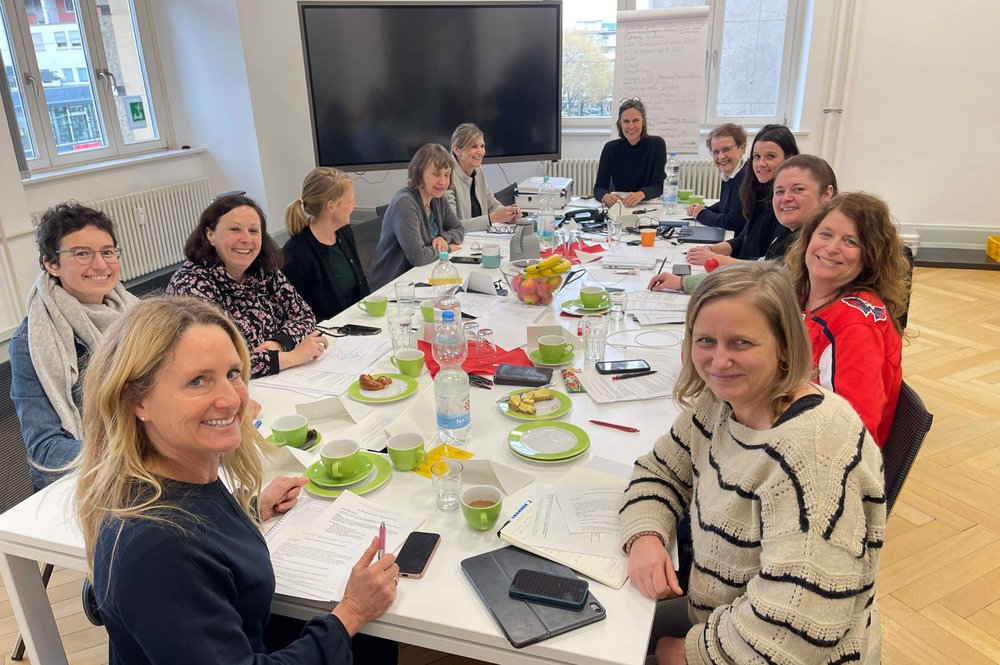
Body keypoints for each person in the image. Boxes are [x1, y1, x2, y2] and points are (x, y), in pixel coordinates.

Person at [74, 296, 399, 664]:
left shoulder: (171, 477)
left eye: (232, 374)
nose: (231, 399)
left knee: (377, 643)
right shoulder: (158, 548)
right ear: (138, 401)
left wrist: (248, 512)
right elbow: (173, 567)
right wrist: (351, 612)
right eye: (198, 381)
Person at [619, 262, 885, 665]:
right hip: (721, 621)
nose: (718, 361)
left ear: (784, 345)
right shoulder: (722, 403)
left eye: (741, 343)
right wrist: (645, 537)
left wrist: (688, 655)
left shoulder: (813, 452)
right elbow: (660, 471)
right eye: (706, 340)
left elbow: (799, 628)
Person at [9, 203, 137, 489]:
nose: (101, 265)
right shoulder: (31, 343)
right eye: (82, 254)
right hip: (88, 483)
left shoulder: (137, 315)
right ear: (51, 264)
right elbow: (45, 452)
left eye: (107, 252)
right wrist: (137, 453)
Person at [786, 192, 907, 446]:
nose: (831, 248)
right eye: (825, 234)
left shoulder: (854, 328)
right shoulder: (803, 295)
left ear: (870, 256)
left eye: (850, 241)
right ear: (808, 238)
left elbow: (852, 434)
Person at [166, 194, 326, 378]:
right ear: (210, 235)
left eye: (253, 230)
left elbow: (304, 315)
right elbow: (218, 361)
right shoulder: (191, 284)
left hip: (276, 379)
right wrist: (292, 357)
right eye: (235, 229)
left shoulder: (263, 269)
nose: (246, 239)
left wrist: (278, 343)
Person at [647, 152, 831, 295]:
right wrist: (683, 283)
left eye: (798, 189)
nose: (786, 198)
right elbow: (757, 270)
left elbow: (758, 280)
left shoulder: (818, 248)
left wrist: (687, 282)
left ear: (827, 194)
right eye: (780, 191)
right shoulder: (790, 232)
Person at [684, 124, 799, 270]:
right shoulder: (758, 189)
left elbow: (771, 267)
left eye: (770, 156)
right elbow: (743, 240)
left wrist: (717, 259)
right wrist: (710, 250)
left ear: (790, 158)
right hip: (745, 270)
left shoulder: (786, 207)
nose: (761, 163)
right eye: (757, 156)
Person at [369, 143, 466, 290]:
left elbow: (459, 228)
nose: (443, 181)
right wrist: (448, 250)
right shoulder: (405, 203)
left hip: (420, 277)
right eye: (436, 174)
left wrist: (443, 238)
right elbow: (419, 257)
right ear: (418, 172)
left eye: (447, 175)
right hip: (392, 286)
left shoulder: (438, 198)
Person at [282, 167, 370, 321]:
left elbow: (361, 284)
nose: (354, 205)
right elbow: (295, 315)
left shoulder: (344, 233)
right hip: (328, 334)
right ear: (331, 206)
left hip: (357, 321)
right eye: (350, 201)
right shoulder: (295, 253)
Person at [445, 123, 521, 231]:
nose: (481, 152)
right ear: (457, 150)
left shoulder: (478, 171)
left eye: (482, 146)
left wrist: (509, 214)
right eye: (474, 146)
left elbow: (493, 206)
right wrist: (492, 218)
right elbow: (452, 226)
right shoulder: (445, 177)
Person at [593, 98, 666, 207]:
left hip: (647, 205)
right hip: (620, 206)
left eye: (635, 120)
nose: (631, 126)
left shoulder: (657, 144)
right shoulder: (610, 148)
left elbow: (658, 186)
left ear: (643, 122)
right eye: (626, 121)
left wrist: (642, 194)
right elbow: (599, 187)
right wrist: (605, 196)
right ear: (620, 123)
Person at [686, 123, 748, 231]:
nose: (721, 157)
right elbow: (726, 206)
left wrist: (701, 214)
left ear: (742, 148)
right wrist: (702, 209)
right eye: (715, 152)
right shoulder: (730, 172)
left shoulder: (746, 178)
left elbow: (732, 222)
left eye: (726, 150)